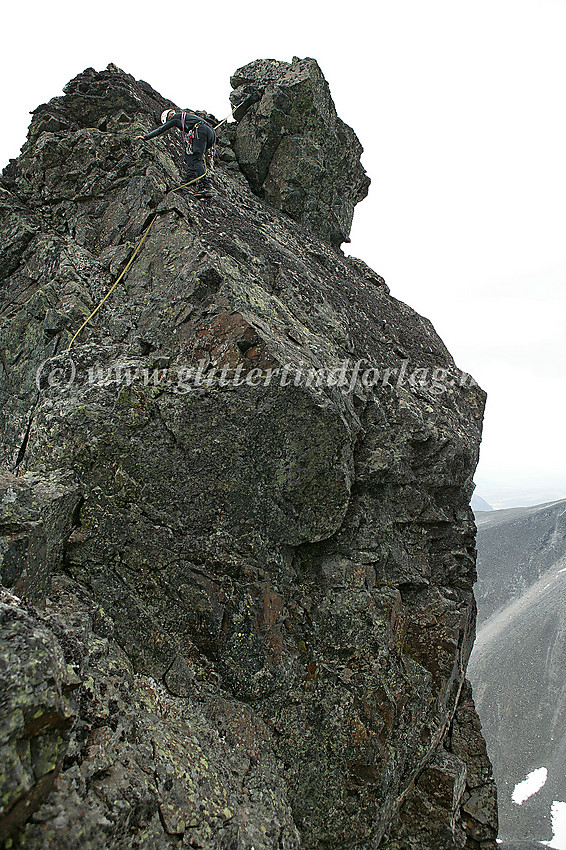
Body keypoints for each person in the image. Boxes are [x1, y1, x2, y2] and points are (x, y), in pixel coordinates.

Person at [140, 109, 216, 194]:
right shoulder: (186, 118)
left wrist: (146, 137)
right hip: (210, 133)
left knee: (196, 158)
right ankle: (191, 176)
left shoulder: (175, 118)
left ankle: (205, 186)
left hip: (200, 130)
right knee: (189, 153)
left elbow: (161, 129)